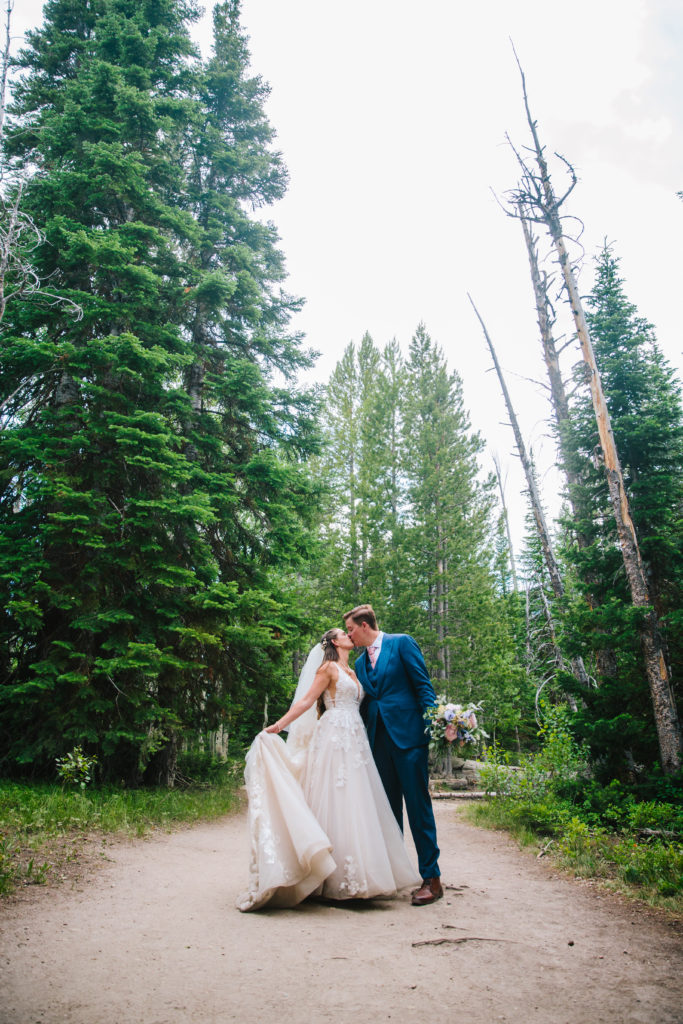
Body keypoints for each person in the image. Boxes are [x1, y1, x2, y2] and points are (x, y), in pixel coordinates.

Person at [236, 627, 419, 912]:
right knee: (334, 797)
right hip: (333, 736)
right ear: (335, 642)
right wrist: (278, 726)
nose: (350, 637)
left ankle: (362, 877)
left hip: (356, 738)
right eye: (344, 634)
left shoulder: (354, 671)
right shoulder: (328, 668)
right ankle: (327, 877)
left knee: (357, 801)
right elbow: (308, 701)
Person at [344, 604, 443, 907]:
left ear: (364, 625)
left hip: (409, 740)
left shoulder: (401, 643)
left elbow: (423, 688)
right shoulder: (360, 664)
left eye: (350, 629)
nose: (349, 635)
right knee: (387, 813)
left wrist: (432, 730)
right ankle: (394, 876)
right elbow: (362, 704)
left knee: (418, 808)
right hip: (377, 744)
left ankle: (432, 879)